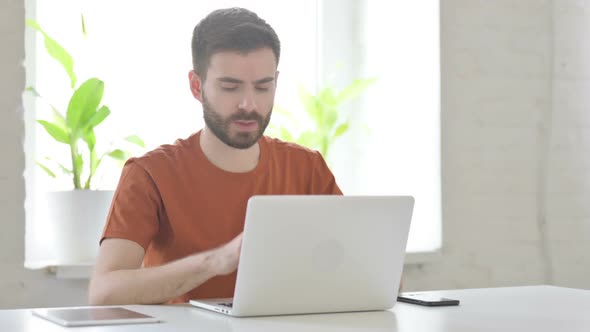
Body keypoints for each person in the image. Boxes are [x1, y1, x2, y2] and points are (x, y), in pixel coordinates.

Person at [88, 7, 341, 305]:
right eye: (230, 87)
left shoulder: (307, 168)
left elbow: (369, 273)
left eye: (263, 87)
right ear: (197, 86)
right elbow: (104, 294)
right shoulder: (150, 174)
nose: (249, 104)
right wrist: (216, 261)